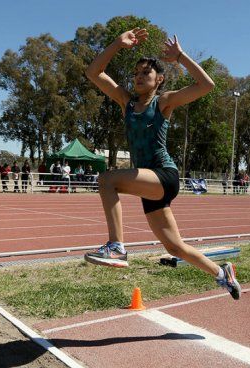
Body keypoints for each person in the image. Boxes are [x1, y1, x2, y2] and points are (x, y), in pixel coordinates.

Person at [83, 28, 241, 299]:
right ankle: (222, 273)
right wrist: (117, 44)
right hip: (149, 185)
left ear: (159, 79)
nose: (139, 76)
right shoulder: (126, 102)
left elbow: (207, 85)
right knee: (174, 248)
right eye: (136, 73)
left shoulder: (163, 102)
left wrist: (180, 56)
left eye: (146, 72)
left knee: (107, 180)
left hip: (164, 175)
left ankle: (116, 247)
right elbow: (93, 73)